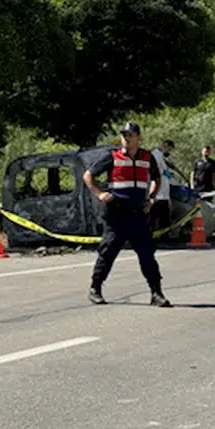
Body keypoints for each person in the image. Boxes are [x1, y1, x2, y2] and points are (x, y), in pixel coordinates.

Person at [84, 121, 172, 308]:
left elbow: (157, 178)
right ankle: (95, 288)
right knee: (108, 252)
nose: (126, 138)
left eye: (130, 135)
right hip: (116, 214)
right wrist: (100, 194)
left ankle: (156, 293)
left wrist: (151, 198)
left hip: (139, 213)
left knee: (147, 254)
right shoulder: (112, 156)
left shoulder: (147, 157)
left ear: (138, 138)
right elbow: (88, 175)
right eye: (124, 135)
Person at [149, 140, 173, 236]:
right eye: (169, 149)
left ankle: (163, 235)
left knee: (163, 216)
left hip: (163, 192)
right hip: (158, 193)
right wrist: (167, 173)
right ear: (165, 145)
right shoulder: (156, 155)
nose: (169, 152)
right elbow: (158, 171)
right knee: (156, 216)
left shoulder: (160, 156)